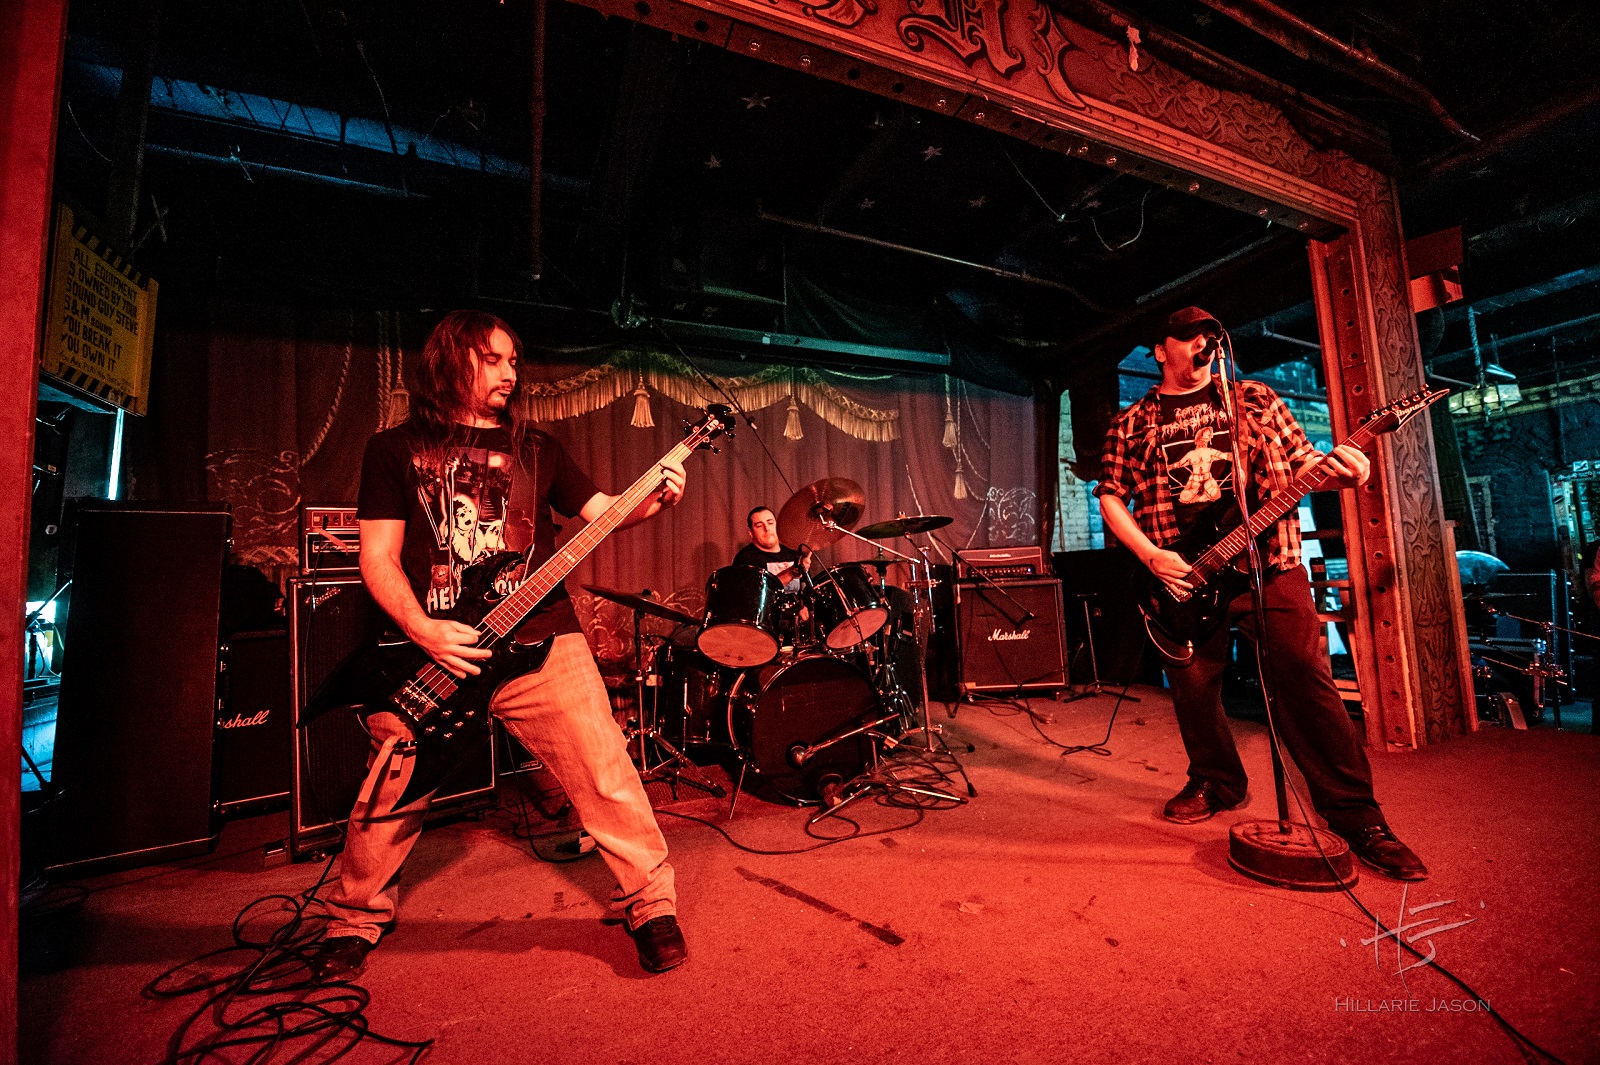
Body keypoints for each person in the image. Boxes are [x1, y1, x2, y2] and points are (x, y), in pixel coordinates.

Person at [308, 310, 690, 981]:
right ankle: (353, 916)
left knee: (606, 770)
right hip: (434, 648)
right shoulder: (392, 449)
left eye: (514, 360)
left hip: (542, 637)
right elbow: (377, 556)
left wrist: (656, 500)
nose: (510, 372)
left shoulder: (539, 449)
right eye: (493, 359)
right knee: (389, 786)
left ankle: (651, 903)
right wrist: (422, 628)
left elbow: (602, 513)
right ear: (450, 360)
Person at [1095, 305, 1428, 881]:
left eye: (1209, 335)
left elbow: (1306, 463)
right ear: (1161, 351)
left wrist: (1352, 472)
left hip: (1270, 563)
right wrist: (1150, 556)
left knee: (1306, 680)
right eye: (1188, 337)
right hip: (1182, 575)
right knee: (1194, 689)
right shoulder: (1132, 422)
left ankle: (1358, 815)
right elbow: (1110, 494)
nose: (1202, 343)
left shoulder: (1255, 399)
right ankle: (1215, 781)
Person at [733, 505, 812, 590]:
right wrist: (791, 573)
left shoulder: (795, 555)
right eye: (759, 525)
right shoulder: (745, 559)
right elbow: (756, 594)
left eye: (770, 523)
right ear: (751, 533)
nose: (767, 528)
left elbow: (807, 592)